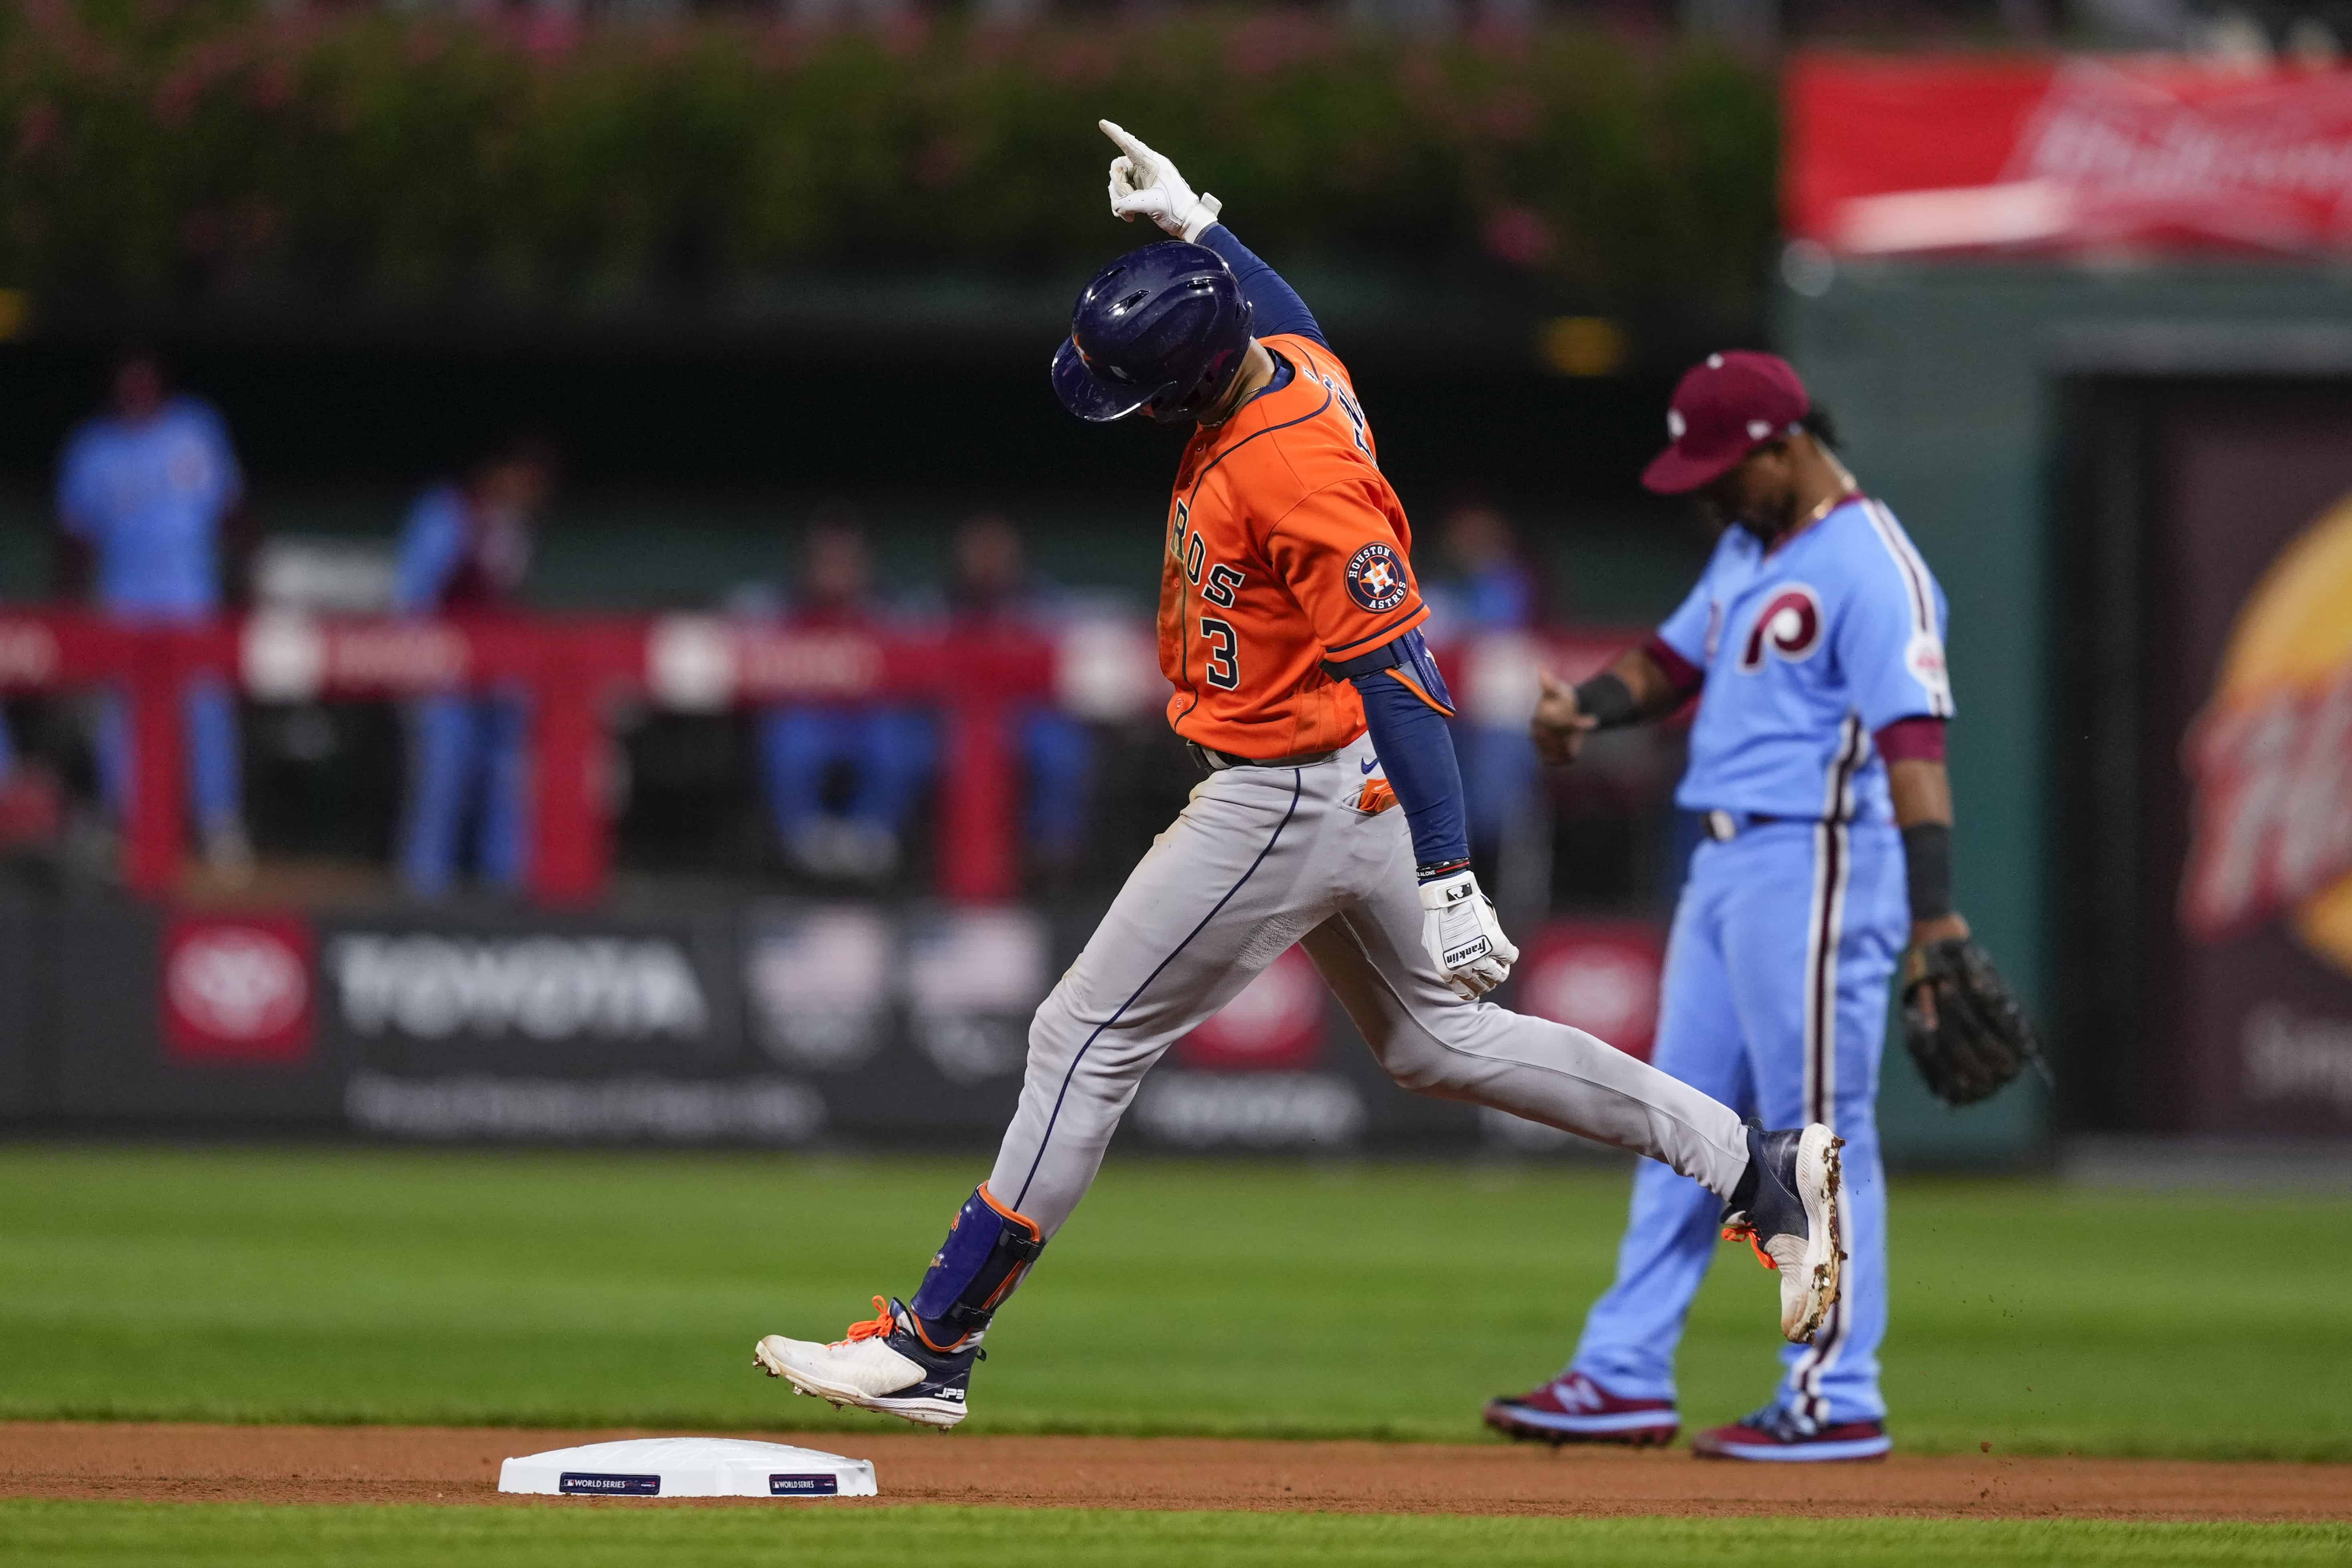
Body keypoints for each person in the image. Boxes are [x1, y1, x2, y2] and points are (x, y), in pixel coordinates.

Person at [751, 124, 1848, 1428]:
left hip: (1283, 788)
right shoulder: (1286, 366)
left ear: (1184, 381)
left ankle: (937, 1336)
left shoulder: (1296, 468)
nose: (1130, 405)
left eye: (1139, 386)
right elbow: (1293, 316)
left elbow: (1403, 670)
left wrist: (1452, 870)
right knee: (1439, 1040)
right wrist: (1199, 229)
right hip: (1321, 775)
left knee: (1080, 1037)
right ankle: (1753, 1167)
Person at [1484, 352, 1960, 1461]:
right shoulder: (1753, 545)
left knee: (1818, 1134)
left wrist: (1935, 915)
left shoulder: (1874, 563)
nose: (1708, 492)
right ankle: (1623, 1371)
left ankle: (1837, 1386)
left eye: (1722, 467)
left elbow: (1917, 745)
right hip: (1724, 862)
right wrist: (1585, 708)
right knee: (1680, 1125)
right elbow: (1668, 662)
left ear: (1786, 445)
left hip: (1821, 859)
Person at [55, 347, 251, 883]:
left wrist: (245, 586)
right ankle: (130, 825)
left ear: (162, 385)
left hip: (192, 596)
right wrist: (73, 611)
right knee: (121, 722)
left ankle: (217, 825)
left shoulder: (195, 426)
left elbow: (231, 511)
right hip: (125, 599)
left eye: (146, 383)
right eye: (127, 384)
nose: (137, 393)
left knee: (207, 710)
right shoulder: (93, 448)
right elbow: (75, 536)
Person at [392, 438, 553, 899]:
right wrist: (418, 671)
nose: (532, 489)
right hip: (443, 678)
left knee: (508, 785)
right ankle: (423, 897)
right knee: (441, 784)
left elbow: (509, 603)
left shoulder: (517, 527)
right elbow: (412, 603)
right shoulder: (446, 511)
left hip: (496, 681)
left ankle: (505, 894)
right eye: (523, 476)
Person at [756, 517, 931, 883]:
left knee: (895, 738)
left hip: (868, 721)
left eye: (846, 562)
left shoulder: (895, 613)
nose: (835, 572)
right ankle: (804, 843)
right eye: (825, 562)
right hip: (808, 717)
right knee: (792, 739)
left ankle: (875, 839)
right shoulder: (773, 609)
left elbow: (924, 674)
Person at [936, 513, 1095, 877]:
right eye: (978, 550)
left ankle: (1053, 861)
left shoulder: (1048, 607)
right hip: (954, 720)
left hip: (1033, 715)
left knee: (1062, 752)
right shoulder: (932, 607)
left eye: (997, 550)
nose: (987, 561)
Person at [1429, 501, 1545, 858]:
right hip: (1451, 715)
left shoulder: (1509, 583)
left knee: (1490, 810)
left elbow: (1495, 628)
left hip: (1500, 718)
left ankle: (1489, 887)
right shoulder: (1444, 585)